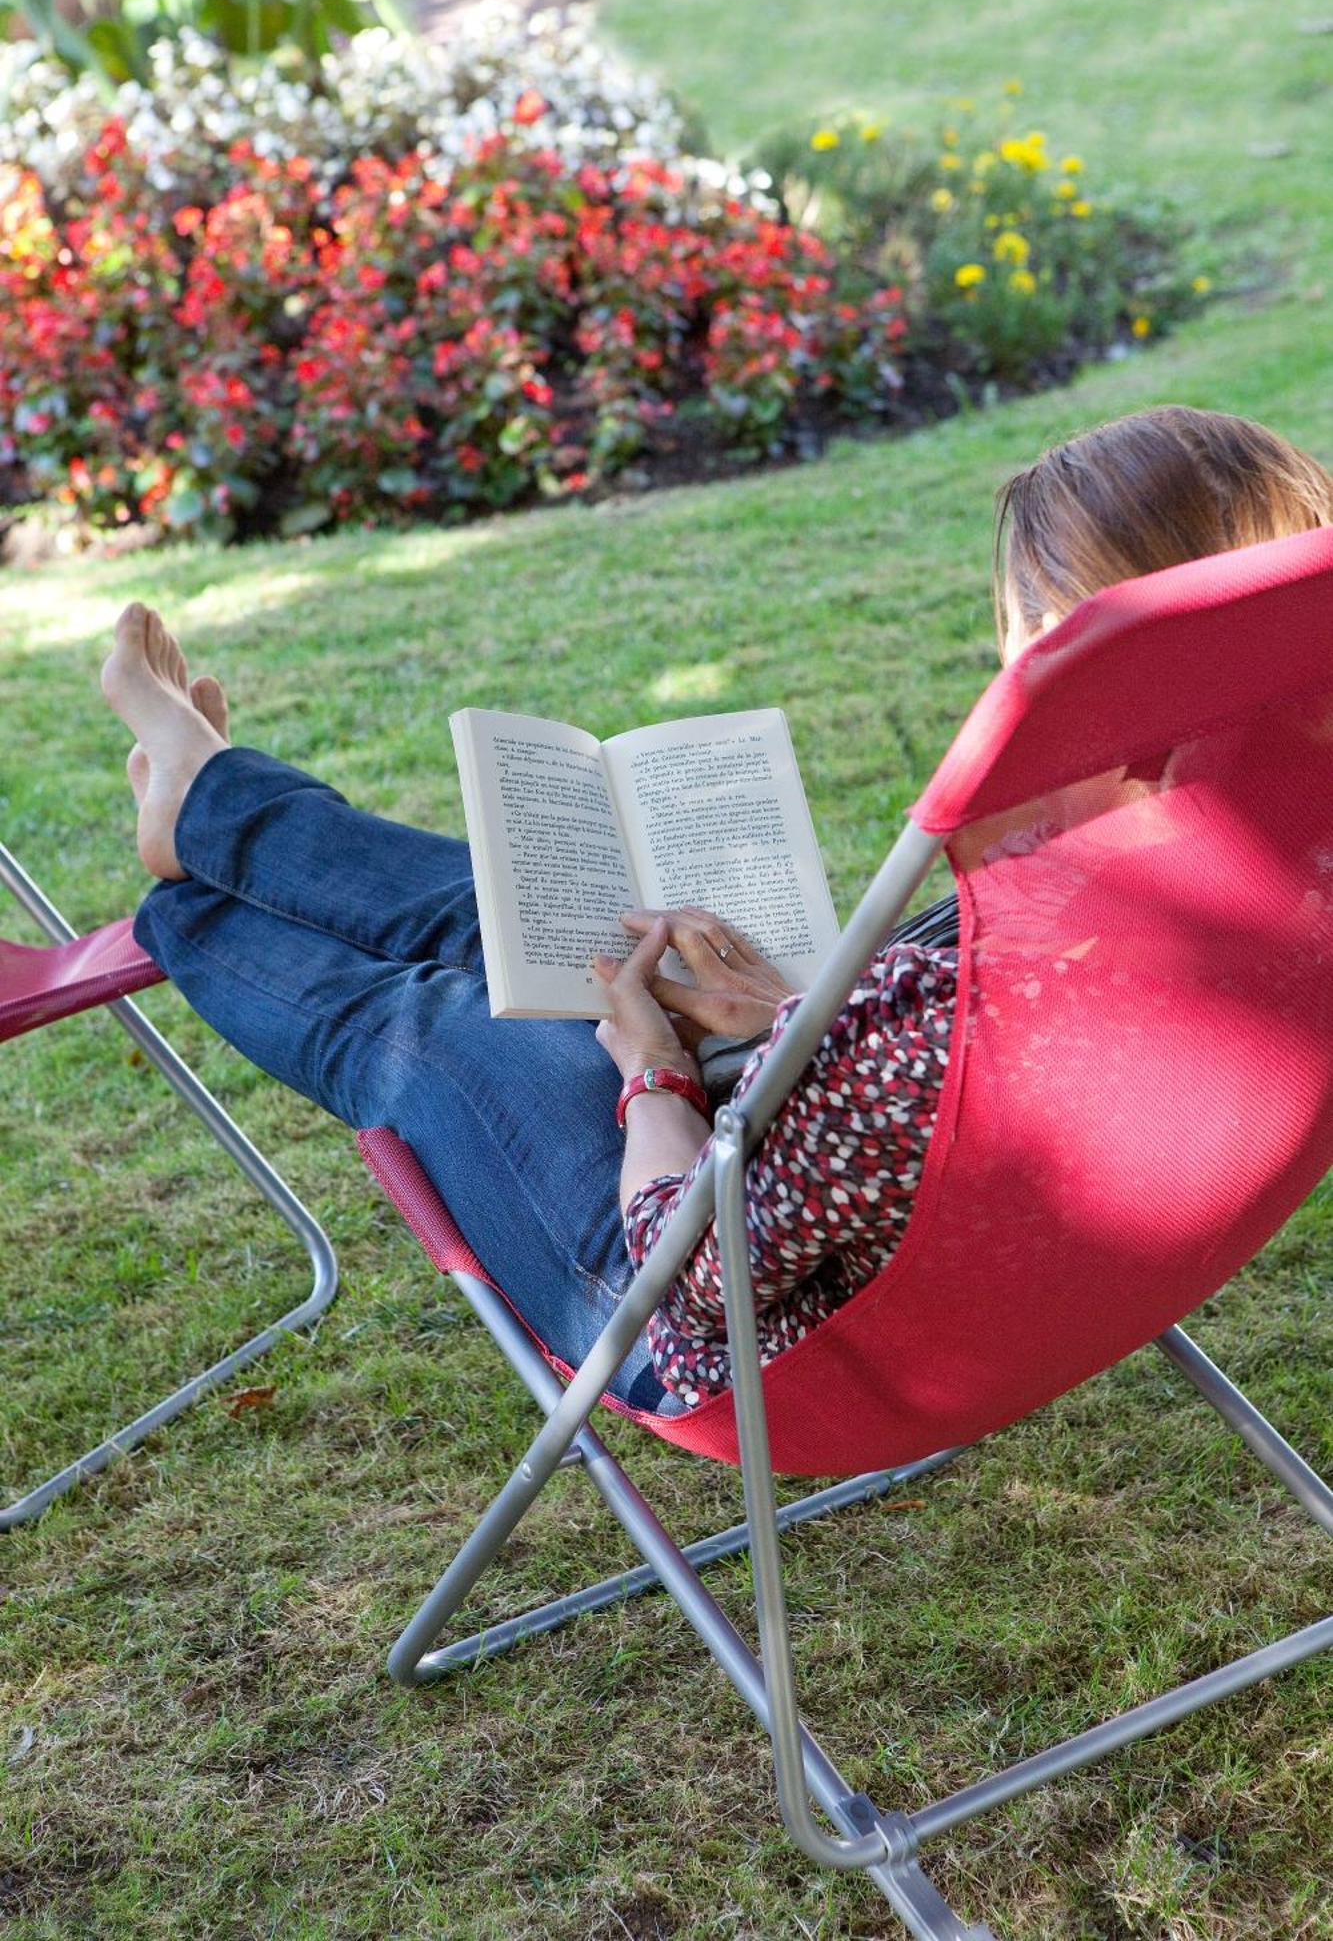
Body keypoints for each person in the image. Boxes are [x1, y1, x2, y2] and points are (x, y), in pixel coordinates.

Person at [104, 405, 1333, 1414]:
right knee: (559, 933)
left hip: (747, 1335)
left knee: (422, 1015)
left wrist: (657, 1074)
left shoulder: (1014, 973)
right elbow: (919, 1098)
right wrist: (780, 1019)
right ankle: (210, 802)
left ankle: (186, 879)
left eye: (1023, 646)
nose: (1005, 676)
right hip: (908, 1204)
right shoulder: (1262, 874)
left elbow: (691, 1278)